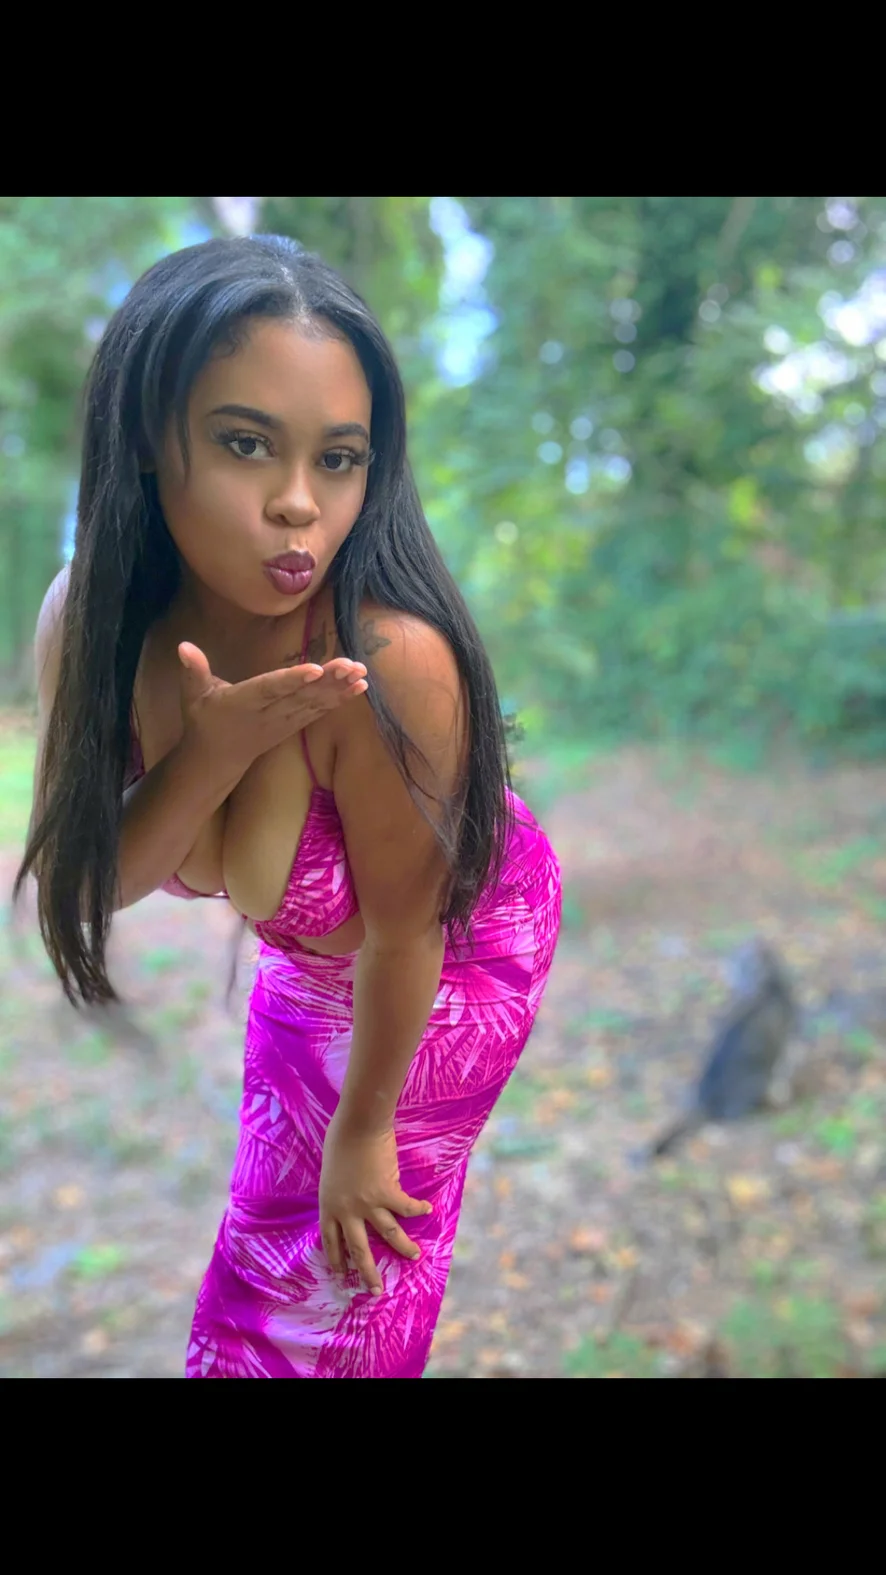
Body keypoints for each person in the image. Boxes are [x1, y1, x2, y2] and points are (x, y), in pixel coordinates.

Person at [16, 233, 562, 1379]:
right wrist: (209, 756)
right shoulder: (90, 620)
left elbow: (407, 930)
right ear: (147, 438)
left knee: (343, 1273)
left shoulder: (388, 661)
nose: (299, 506)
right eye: (245, 443)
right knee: (262, 1240)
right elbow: (94, 879)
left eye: (340, 458)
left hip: (452, 946)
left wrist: (364, 1130)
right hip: (318, 948)